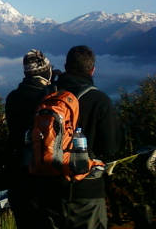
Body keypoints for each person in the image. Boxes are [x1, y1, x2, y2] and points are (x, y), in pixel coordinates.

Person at [37, 45, 121, 229]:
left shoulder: (47, 96)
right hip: (86, 190)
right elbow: (110, 149)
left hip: (48, 187)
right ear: (92, 70)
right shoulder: (100, 100)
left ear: (66, 67)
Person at [5, 49, 56, 229]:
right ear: (45, 71)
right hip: (47, 172)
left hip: (19, 174)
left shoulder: (13, 98)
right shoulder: (50, 97)